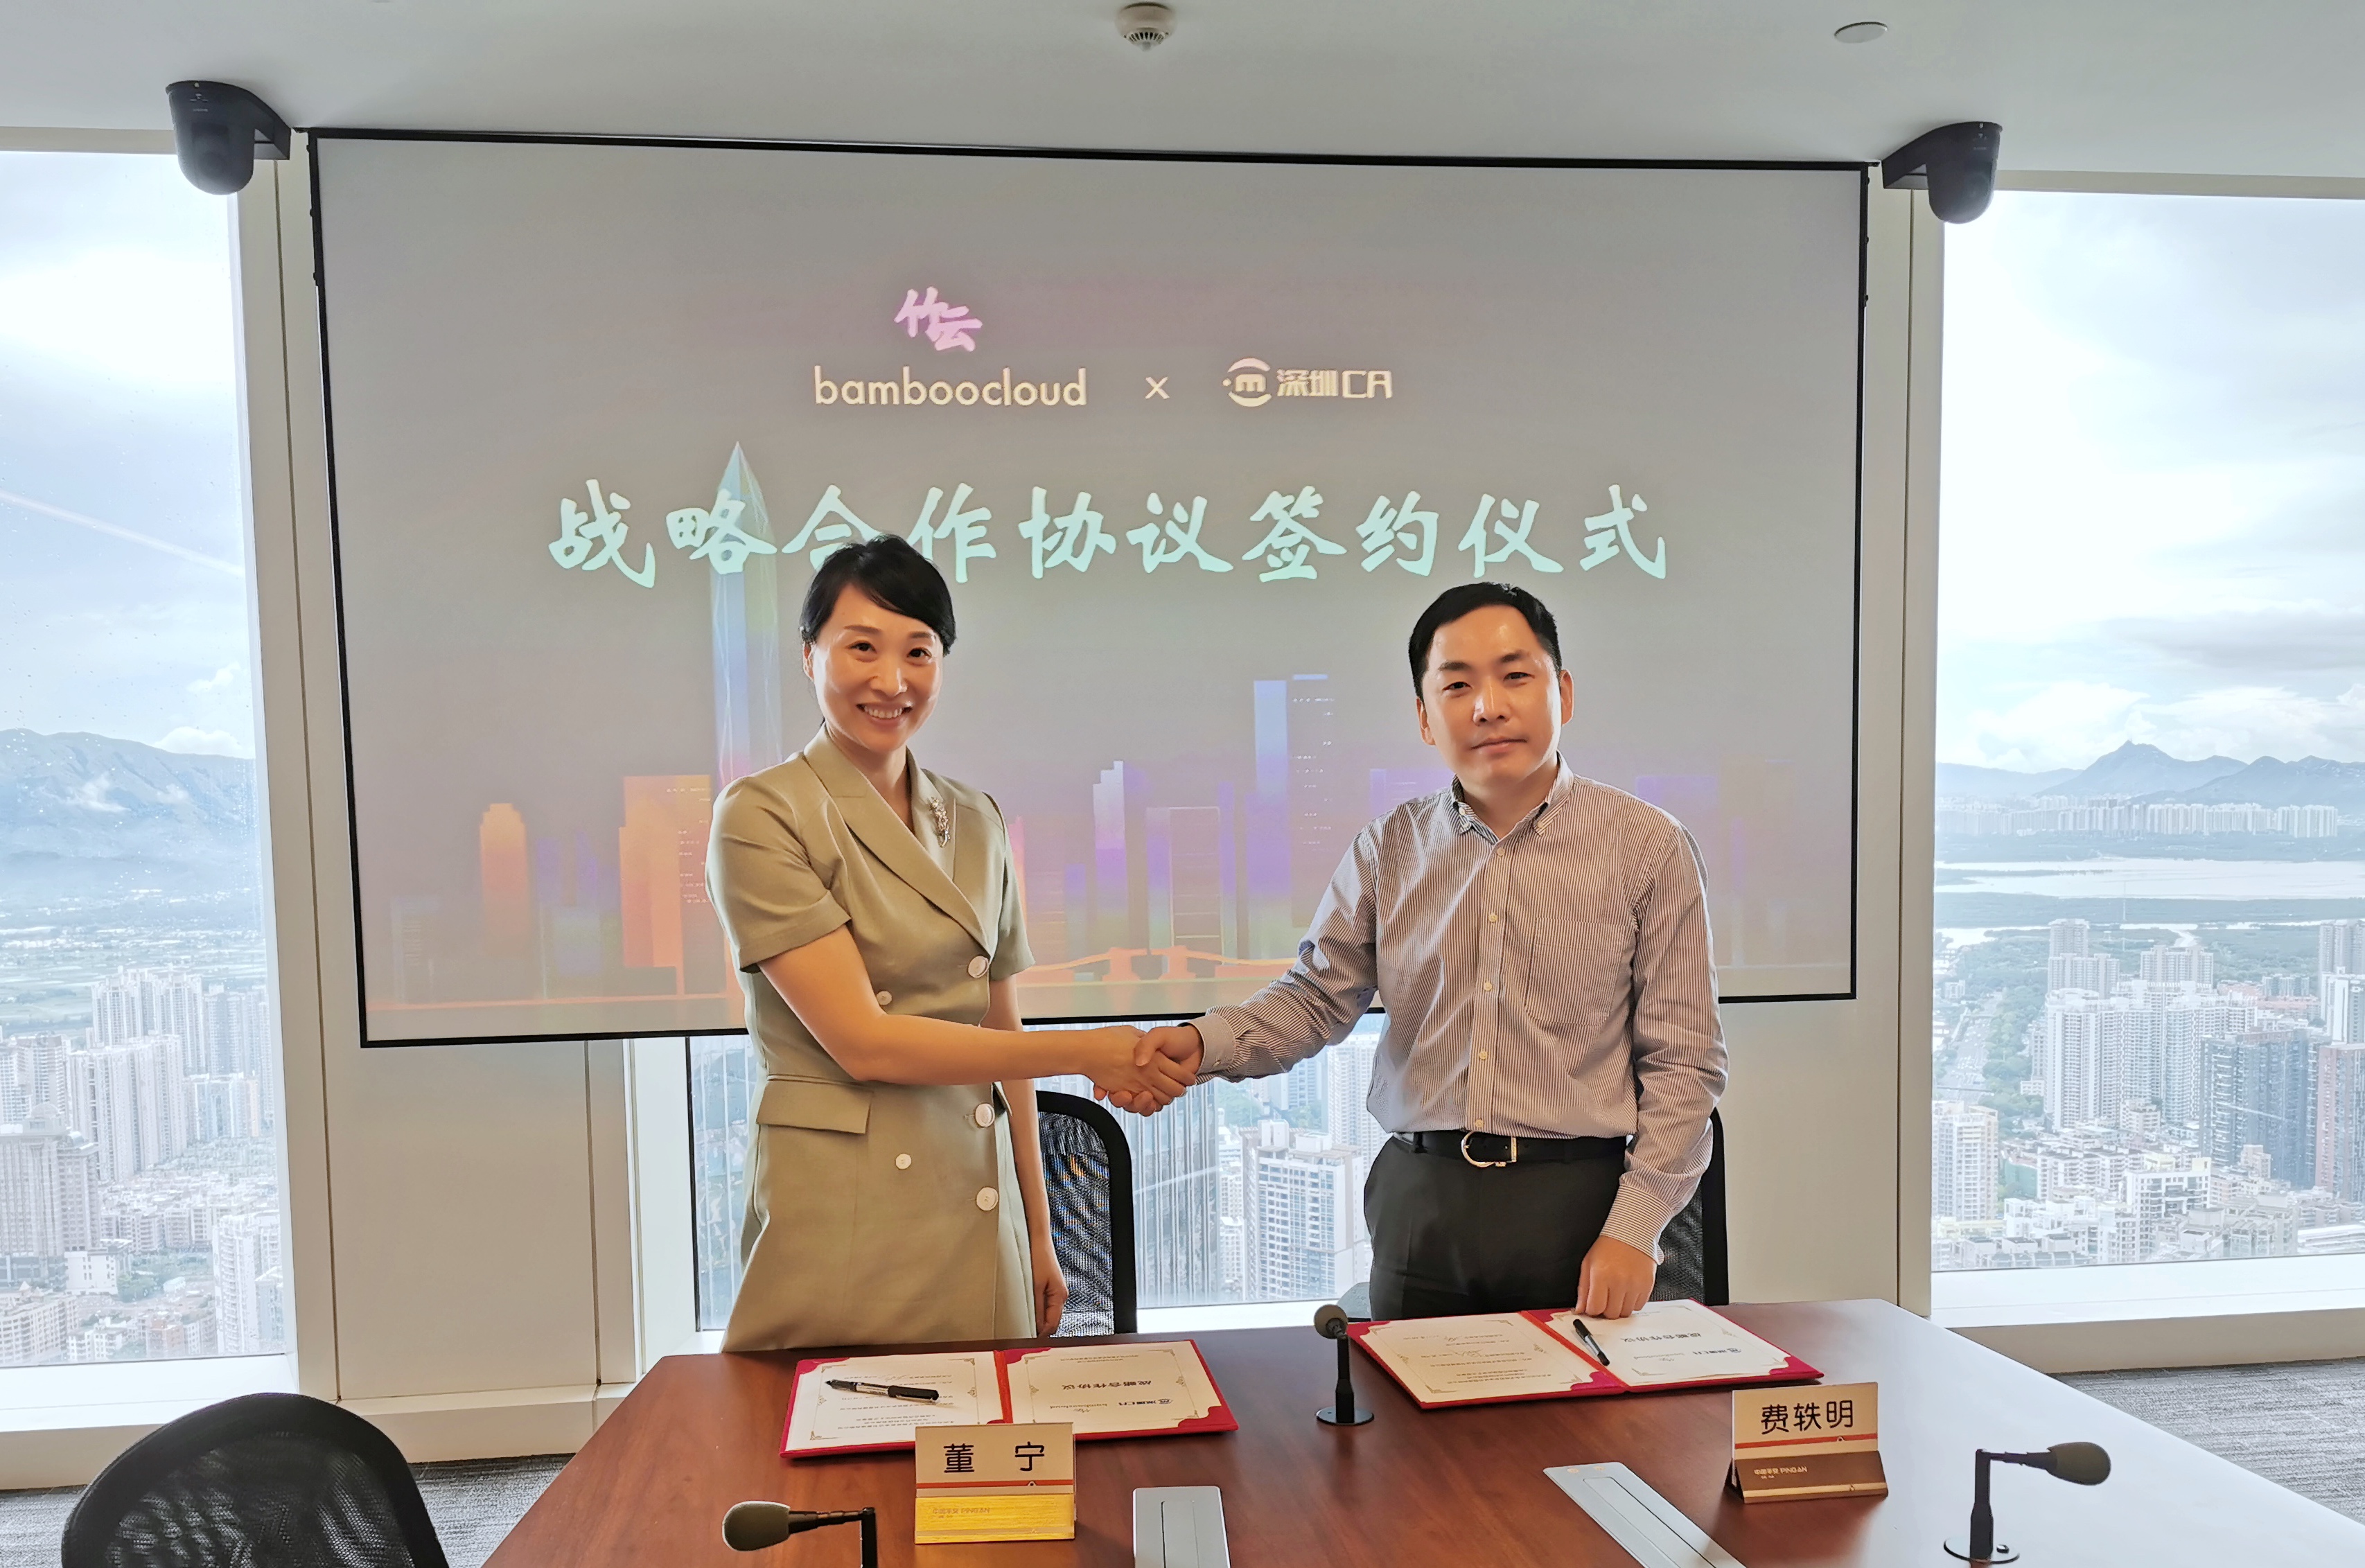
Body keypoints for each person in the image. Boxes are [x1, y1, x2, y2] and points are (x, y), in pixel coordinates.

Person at [1121, 581, 1725, 1321]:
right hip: (1419, 1200)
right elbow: (1314, 999)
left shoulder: (1649, 847)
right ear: (1423, 717)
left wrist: (1634, 1229)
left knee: (1577, 1402)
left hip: (1577, 1202)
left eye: (1515, 675)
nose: (1488, 706)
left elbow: (1683, 1061)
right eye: (1456, 685)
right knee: (1407, 1400)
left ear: (1562, 692)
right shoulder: (1388, 848)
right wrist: (1197, 1043)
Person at [707, 536, 1192, 1353]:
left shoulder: (974, 818)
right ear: (808, 654)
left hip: (974, 1195)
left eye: (918, 652)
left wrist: (1037, 1230)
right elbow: (863, 1041)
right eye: (862, 647)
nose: (891, 681)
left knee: (988, 1428)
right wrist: (1090, 1051)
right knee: (837, 1427)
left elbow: (1003, 1033)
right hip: (843, 1203)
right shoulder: (763, 814)